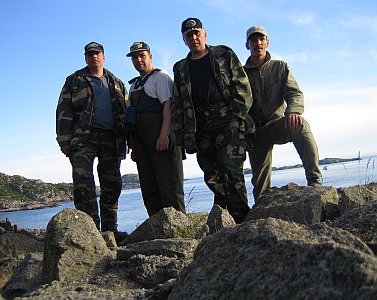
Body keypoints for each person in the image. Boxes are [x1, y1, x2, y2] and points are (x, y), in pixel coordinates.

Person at [172, 18, 254, 223]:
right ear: (184, 40)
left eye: (197, 33)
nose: (194, 37)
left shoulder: (223, 54)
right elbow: (178, 103)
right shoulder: (180, 67)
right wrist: (183, 135)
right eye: (188, 35)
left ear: (204, 34)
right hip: (200, 126)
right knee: (211, 173)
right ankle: (222, 218)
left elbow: (243, 87)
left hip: (228, 119)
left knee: (231, 168)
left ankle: (242, 219)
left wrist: (237, 116)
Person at [56, 42, 128, 241]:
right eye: (89, 54)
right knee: (83, 183)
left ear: (103, 56)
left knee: (112, 184)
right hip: (83, 139)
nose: (93, 57)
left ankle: (110, 231)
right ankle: (90, 233)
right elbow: (63, 110)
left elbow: (125, 114)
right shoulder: (74, 80)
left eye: (97, 53)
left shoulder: (117, 83)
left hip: (110, 139)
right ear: (86, 58)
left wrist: (126, 142)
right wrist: (64, 140)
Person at [244, 26, 322, 200]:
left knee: (301, 124)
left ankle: (315, 180)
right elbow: (239, 107)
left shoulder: (281, 67)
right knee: (260, 189)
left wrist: (293, 110)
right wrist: (246, 131)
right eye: (253, 40)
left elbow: (295, 93)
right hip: (254, 133)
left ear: (267, 42)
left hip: (277, 124)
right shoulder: (240, 74)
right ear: (247, 45)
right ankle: (261, 213)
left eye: (261, 39)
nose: (258, 43)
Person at [125, 42, 185, 216]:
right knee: (150, 191)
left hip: (161, 140)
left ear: (150, 56)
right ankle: (156, 233)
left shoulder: (161, 77)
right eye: (135, 57)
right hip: (142, 144)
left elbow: (168, 107)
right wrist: (134, 147)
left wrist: (164, 135)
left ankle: (180, 233)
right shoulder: (134, 85)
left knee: (170, 189)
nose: (138, 60)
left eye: (142, 56)